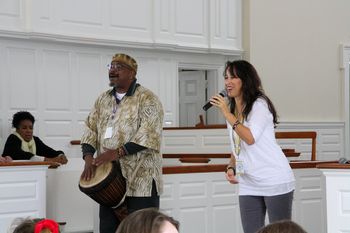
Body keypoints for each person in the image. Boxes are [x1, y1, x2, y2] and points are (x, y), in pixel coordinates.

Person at [80, 53, 164, 233]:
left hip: (141, 180)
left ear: (132, 73)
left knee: (142, 229)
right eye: (111, 66)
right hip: (110, 179)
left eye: (118, 67)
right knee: (109, 229)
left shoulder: (147, 98)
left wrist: (117, 152)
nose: (112, 70)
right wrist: (88, 157)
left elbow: (150, 133)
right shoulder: (103, 99)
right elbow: (90, 128)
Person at [210, 60, 295, 233]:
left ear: (245, 79)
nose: (228, 82)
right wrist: (231, 166)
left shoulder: (259, 105)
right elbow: (238, 144)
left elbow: (250, 138)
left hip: (273, 178)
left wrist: (226, 113)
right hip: (248, 182)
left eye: (233, 77)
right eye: (226, 77)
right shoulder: (233, 108)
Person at [2, 111, 68, 164]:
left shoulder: (35, 140)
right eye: (24, 128)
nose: (28, 131)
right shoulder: (12, 138)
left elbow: (49, 151)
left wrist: (61, 155)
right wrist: (47, 160)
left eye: (31, 128)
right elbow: (20, 154)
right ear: (17, 129)